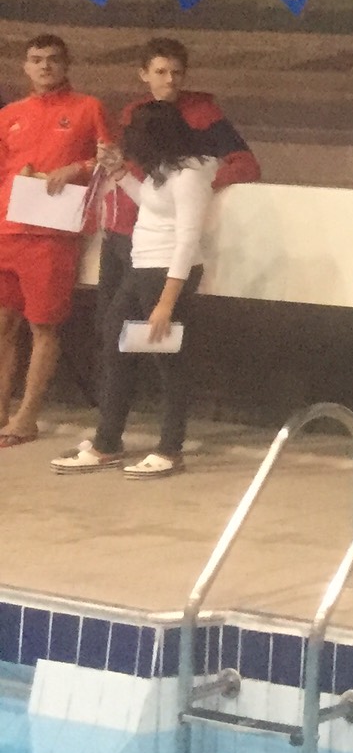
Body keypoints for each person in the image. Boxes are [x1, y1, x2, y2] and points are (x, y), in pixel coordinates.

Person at [53, 101, 214, 476]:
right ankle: (107, 442)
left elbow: (187, 240)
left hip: (167, 274)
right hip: (141, 267)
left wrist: (166, 303)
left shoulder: (190, 176)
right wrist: (120, 173)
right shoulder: (164, 170)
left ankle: (170, 448)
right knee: (115, 345)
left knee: (170, 361)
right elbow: (151, 204)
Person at [0, 35, 114, 446]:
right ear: (25, 66)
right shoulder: (10, 114)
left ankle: (26, 417)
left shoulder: (88, 107)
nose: (44, 66)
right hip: (7, 229)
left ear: (66, 65)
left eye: (52, 59)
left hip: (52, 234)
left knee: (43, 325)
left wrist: (77, 167)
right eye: (36, 59)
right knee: (2, 324)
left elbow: (111, 159)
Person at [96, 36, 259, 312]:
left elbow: (246, 165)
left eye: (177, 72)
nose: (170, 80)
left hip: (161, 244)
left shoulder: (203, 114)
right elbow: (132, 166)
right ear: (144, 74)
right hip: (124, 229)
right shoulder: (135, 113)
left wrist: (196, 188)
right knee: (111, 323)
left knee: (140, 326)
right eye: (161, 72)